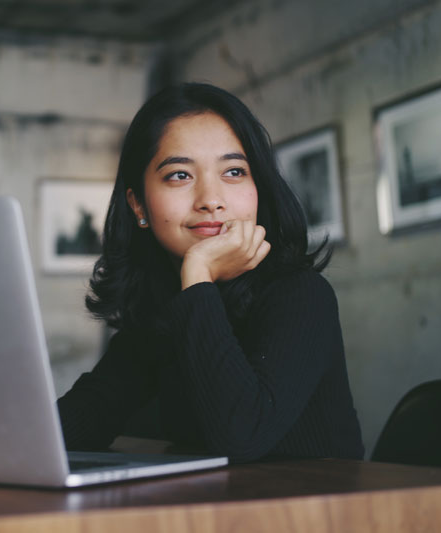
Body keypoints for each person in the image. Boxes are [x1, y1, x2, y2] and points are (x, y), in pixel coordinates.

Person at [57, 83, 364, 463]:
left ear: (258, 189)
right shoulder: (165, 308)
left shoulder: (302, 295)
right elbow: (74, 426)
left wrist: (199, 273)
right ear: (138, 204)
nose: (211, 200)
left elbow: (242, 438)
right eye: (180, 176)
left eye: (234, 171)